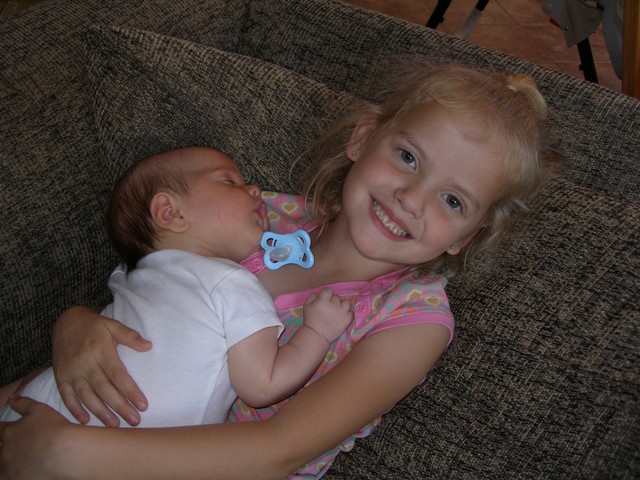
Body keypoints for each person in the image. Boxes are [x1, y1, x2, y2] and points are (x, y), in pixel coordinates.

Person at [0, 63, 556, 479]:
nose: (412, 199)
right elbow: (154, 282)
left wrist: (69, 452)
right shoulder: (264, 213)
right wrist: (74, 324)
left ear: (466, 238)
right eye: (408, 158)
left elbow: (278, 450)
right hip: (90, 407)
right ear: (362, 138)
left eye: (453, 201)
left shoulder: (412, 320)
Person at [0, 146, 353, 427]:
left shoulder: (129, 276)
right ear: (170, 212)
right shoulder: (231, 282)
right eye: (229, 182)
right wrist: (317, 332)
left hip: (43, 407)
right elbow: (263, 385)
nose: (255, 189)